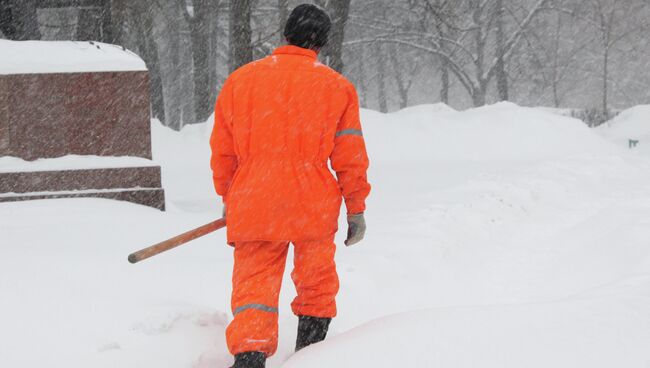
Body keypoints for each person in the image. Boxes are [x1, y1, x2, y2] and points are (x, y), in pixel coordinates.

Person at [210, 4, 370, 368]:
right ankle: (310, 356)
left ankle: (249, 356)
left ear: (285, 34)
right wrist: (356, 208)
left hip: (254, 199)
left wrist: (228, 193)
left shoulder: (242, 80)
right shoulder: (337, 87)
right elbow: (350, 155)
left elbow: (222, 149)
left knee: (254, 286)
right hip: (311, 205)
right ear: (323, 43)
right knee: (316, 283)